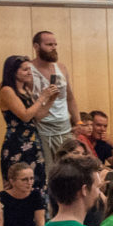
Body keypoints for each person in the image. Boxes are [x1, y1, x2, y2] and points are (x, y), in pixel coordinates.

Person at [28, 32, 82, 181]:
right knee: (48, 173)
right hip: (42, 128)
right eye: (49, 45)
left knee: (70, 171)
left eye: (55, 44)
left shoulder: (61, 68)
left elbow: (70, 98)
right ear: (36, 46)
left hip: (64, 128)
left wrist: (78, 121)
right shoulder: (28, 70)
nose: (53, 48)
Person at [0, 55, 50, 192]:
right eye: (25, 70)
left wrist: (51, 99)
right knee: (19, 183)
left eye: (30, 69)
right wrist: (42, 97)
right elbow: (25, 116)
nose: (29, 72)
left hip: (33, 140)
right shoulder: (7, 91)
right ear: (13, 72)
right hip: (17, 142)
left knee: (38, 182)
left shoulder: (25, 90)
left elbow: (37, 116)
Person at [0, 162, 46, 226]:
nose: (29, 183)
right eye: (24, 179)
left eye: (31, 178)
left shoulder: (35, 195)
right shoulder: (2, 197)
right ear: (12, 181)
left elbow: (40, 223)